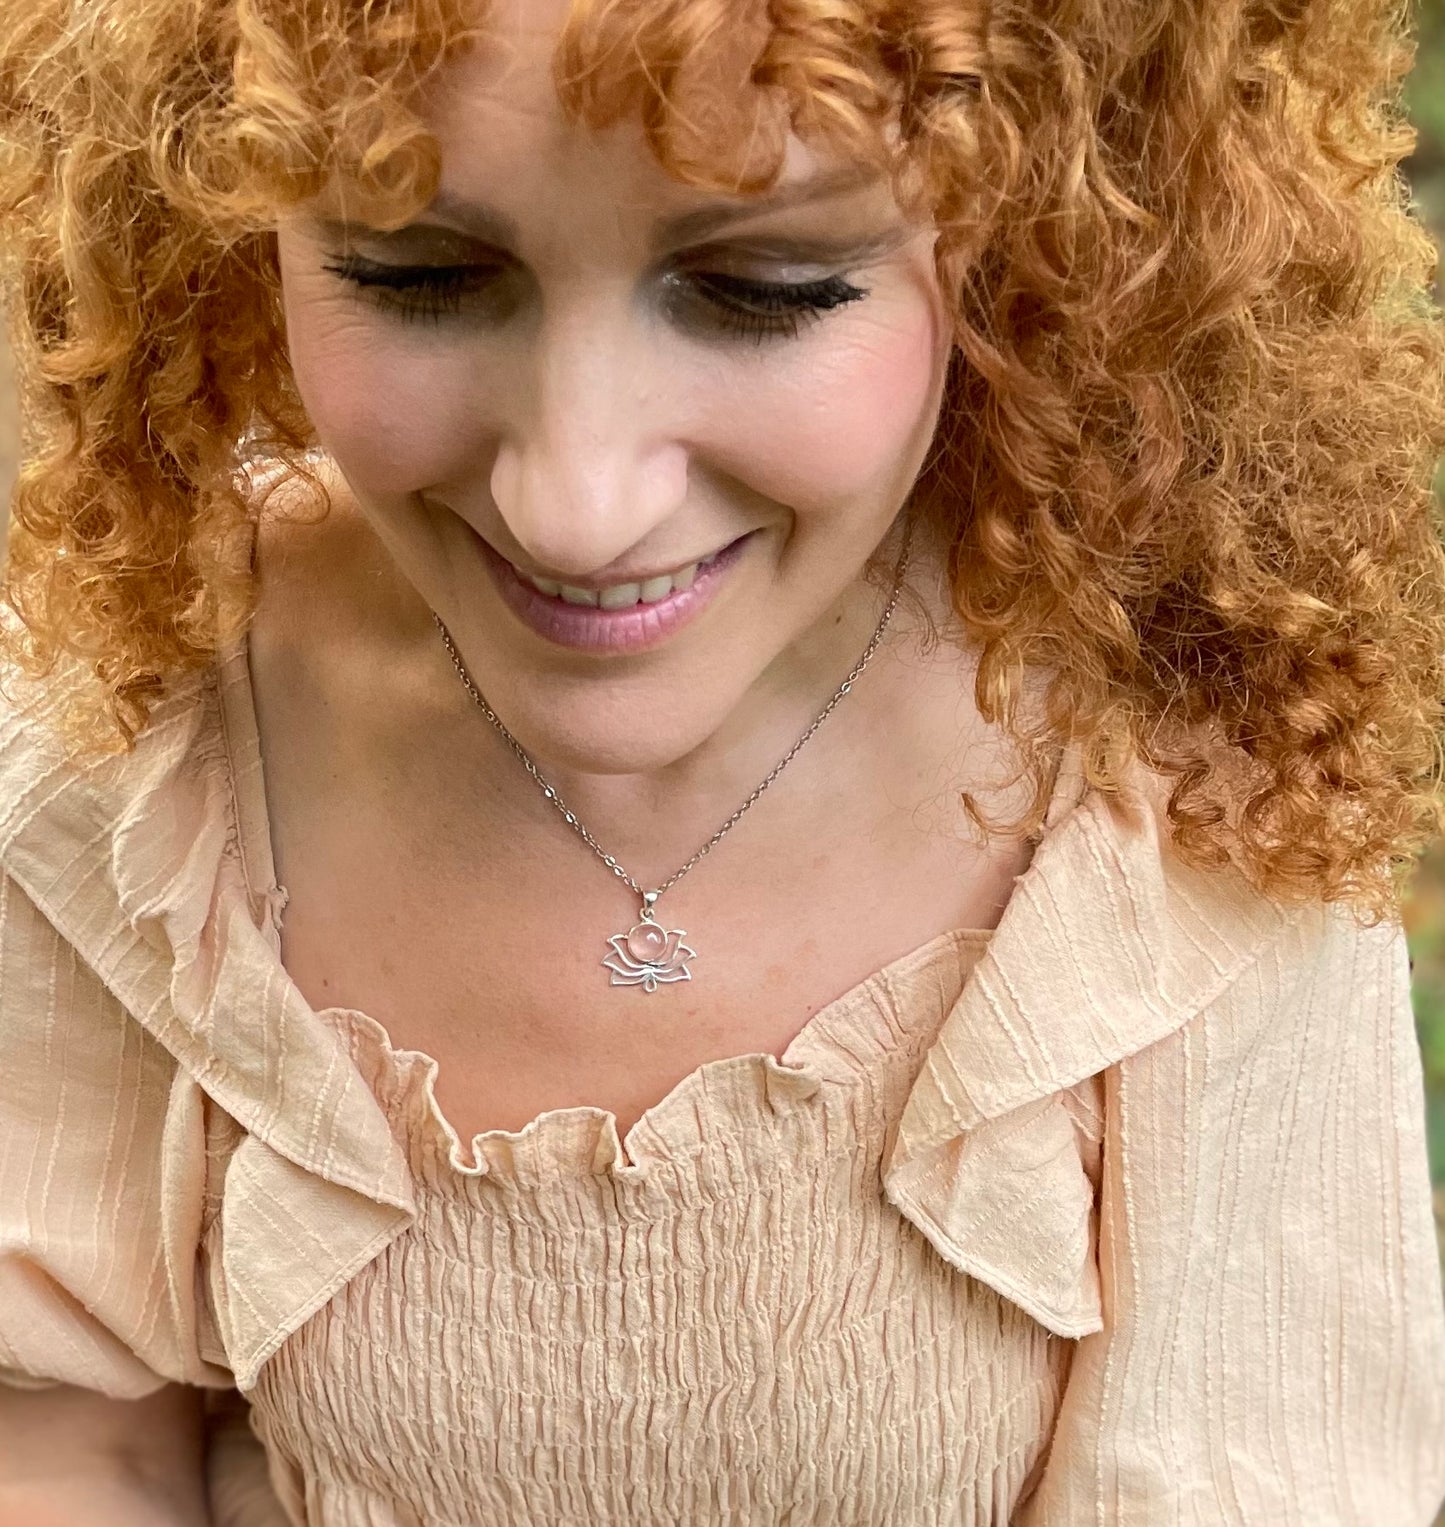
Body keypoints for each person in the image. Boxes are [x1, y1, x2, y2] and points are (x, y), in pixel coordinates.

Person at [1, 0, 1443, 1522]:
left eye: (761, 290)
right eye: (416, 275)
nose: (575, 506)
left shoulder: (1186, 776)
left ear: (1036, 246)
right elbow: (68, 1438)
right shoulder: (146, 714)